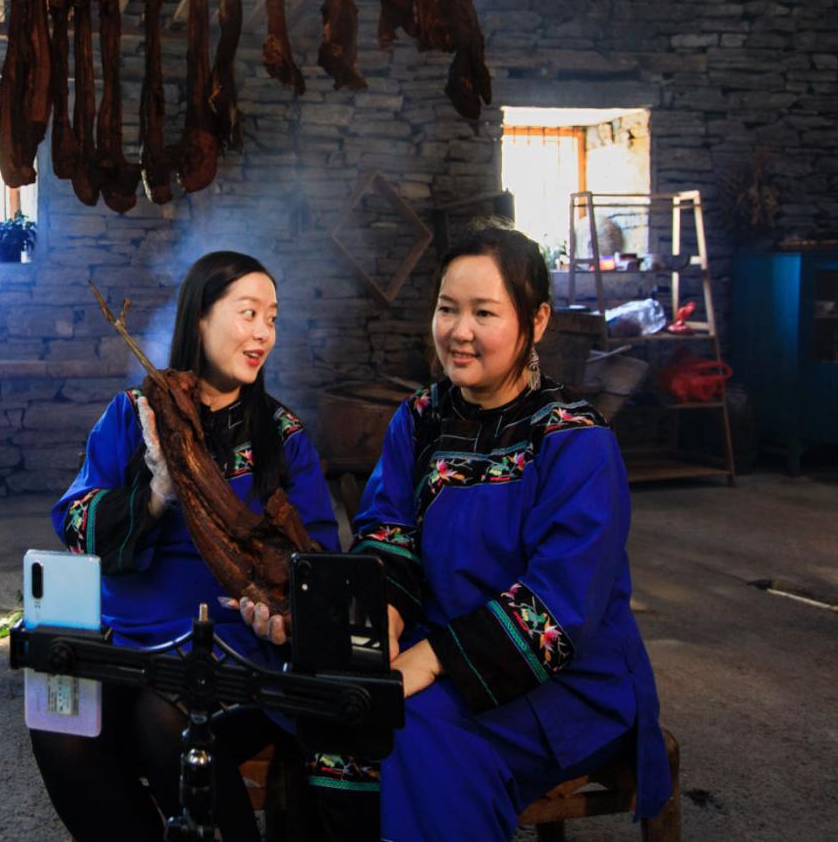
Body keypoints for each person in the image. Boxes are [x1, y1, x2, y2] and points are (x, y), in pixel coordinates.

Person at [261, 222, 672, 841]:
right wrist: (388, 621)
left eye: (485, 312)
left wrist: (428, 661)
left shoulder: (575, 439)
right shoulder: (420, 419)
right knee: (323, 696)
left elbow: (560, 606)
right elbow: (386, 536)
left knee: (404, 726)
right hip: (429, 640)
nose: (459, 331)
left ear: (536, 322)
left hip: (562, 676)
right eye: (448, 309)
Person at [30, 250, 340, 842]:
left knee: (162, 718)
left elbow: (319, 558)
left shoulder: (283, 437)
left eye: (272, 318)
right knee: (58, 726)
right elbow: (71, 518)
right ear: (199, 317)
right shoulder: (134, 414)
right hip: (126, 644)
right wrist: (151, 498)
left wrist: (283, 611)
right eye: (248, 313)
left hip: (232, 654)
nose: (263, 333)